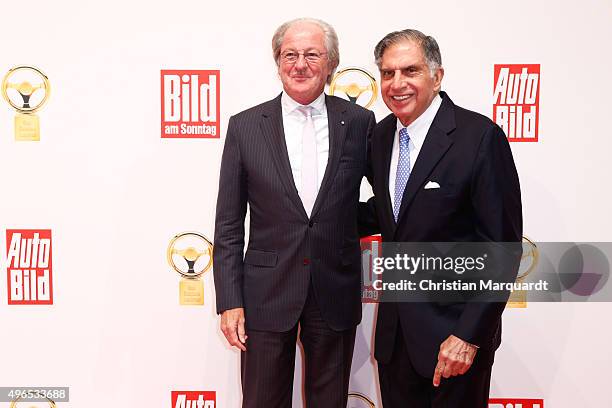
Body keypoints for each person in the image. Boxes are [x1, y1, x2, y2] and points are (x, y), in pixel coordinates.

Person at [213, 17, 375, 408]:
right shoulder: (245, 126)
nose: (299, 64)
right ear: (278, 61)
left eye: (312, 54)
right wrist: (229, 299)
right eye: (290, 55)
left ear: (331, 63)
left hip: (334, 286)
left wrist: (344, 226)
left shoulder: (358, 122)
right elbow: (230, 223)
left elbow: (383, 199)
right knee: (262, 400)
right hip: (265, 292)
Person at [360, 29, 522, 407]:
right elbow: (391, 215)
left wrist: (468, 336)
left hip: (455, 340)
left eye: (410, 71)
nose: (397, 84)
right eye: (387, 73)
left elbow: (502, 249)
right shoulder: (381, 137)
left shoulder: (479, 137)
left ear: (437, 76)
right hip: (395, 341)